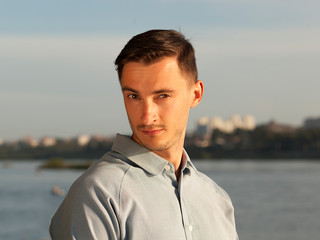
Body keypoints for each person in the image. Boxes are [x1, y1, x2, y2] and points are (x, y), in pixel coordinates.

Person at [50, 29, 239, 240]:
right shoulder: (98, 193)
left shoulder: (217, 199)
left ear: (195, 94)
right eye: (133, 96)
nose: (147, 117)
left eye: (162, 96)